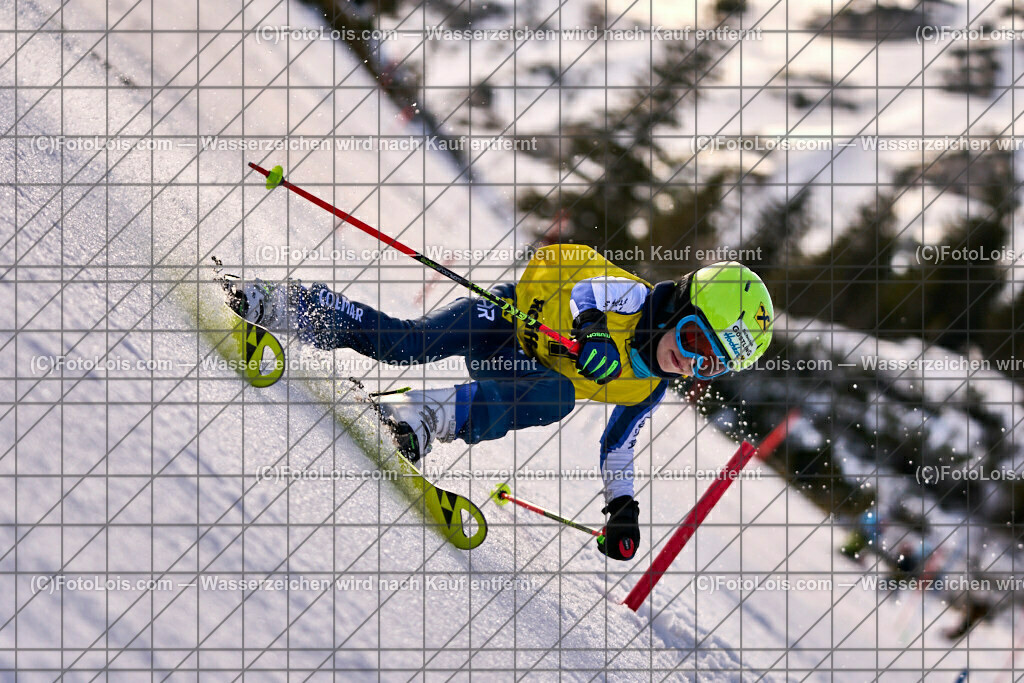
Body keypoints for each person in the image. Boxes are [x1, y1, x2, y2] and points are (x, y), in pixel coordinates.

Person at [226, 243, 774, 561]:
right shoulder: (632, 300)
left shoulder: (649, 386)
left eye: (713, 364)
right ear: (680, 305)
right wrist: (593, 333)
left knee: (557, 395)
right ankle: (285, 305)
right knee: (403, 343)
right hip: (507, 322)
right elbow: (583, 285)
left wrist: (622, 507)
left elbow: (618, 448)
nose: (693, 363)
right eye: (697, 342)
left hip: (520, 378)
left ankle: (422, 416)